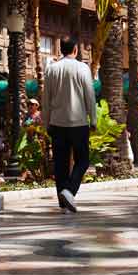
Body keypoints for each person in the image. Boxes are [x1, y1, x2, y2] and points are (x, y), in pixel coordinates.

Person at [41, 36, 97, 213]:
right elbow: (89, 95)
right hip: (78, 123)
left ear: (61, 49)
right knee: (83, 161)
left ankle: (63, 203)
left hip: (57, 123)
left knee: (60, 165)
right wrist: (93, 119)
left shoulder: (51, 69)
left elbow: (46, 99)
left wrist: (46, 123)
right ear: (75, 50)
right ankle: (69, 191)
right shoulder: (83, 68)